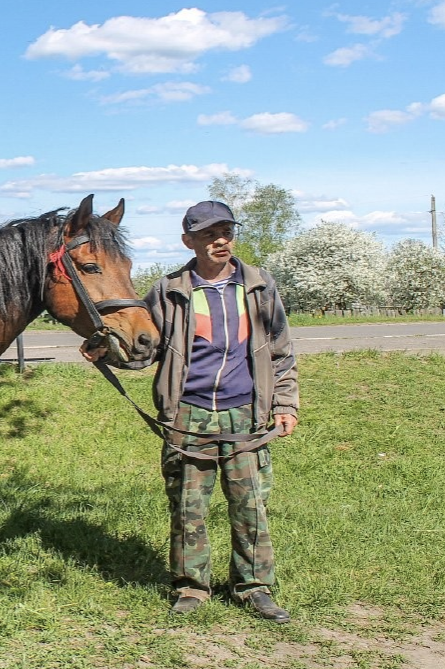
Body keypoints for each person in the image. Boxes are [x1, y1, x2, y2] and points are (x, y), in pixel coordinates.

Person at [141, 200, 299, 623]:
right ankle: (192, 587)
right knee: (188, 507)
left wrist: (284, 403)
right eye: (209, 234)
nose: (220, 241)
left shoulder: (259, 285)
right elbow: (145, 347)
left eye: (226, 231)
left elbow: (281, 352)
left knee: (250, 506)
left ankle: (254, 588)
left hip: (245, 415)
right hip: (187, 415)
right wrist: (109, 347)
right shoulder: (168, 290)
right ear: (188, 241)